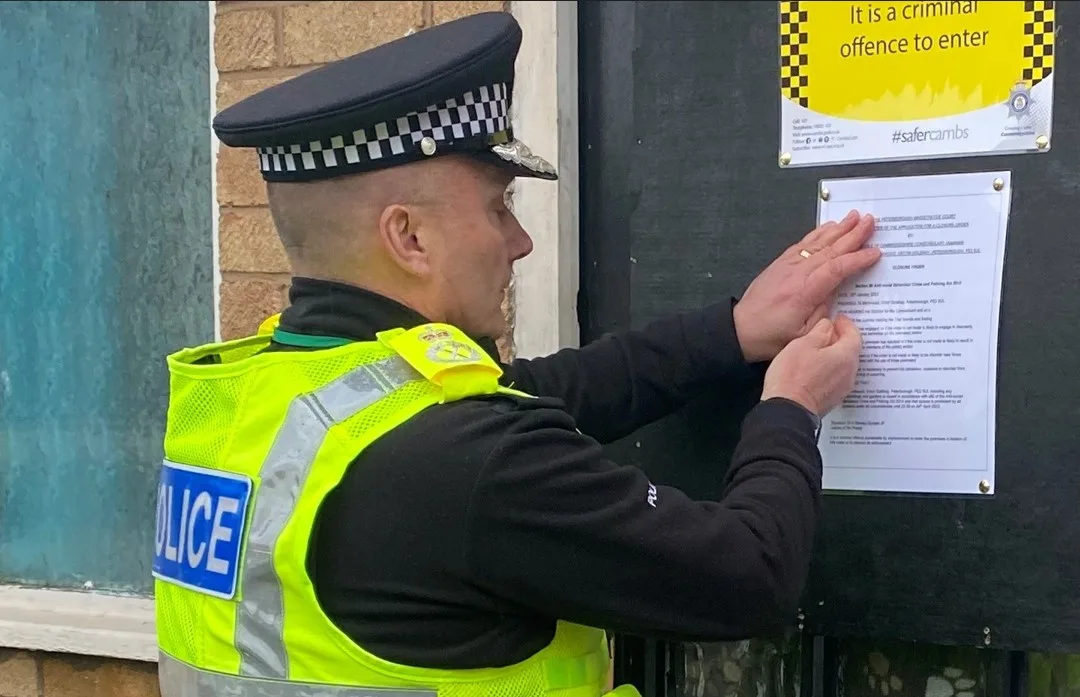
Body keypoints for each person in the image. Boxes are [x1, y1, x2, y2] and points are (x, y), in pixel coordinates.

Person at [151, 10, 880, 697]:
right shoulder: (469, 464)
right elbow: (746, 575)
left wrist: (733, 331)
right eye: (499, 207)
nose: (520, 241)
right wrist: (791, 405)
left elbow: (534, 390)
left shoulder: (252, 399)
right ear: (410, 238)